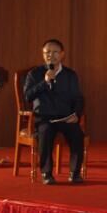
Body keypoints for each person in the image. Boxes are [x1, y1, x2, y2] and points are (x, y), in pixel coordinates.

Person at [23, 39, 84, 185]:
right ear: (43, 54)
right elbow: (28, 96)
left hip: (65, 117)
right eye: (47, 52)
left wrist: (76, 114)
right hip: (44, 118)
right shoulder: (34, 74)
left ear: (62, 54)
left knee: (77, 134)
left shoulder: (70, 74)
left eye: (55, 52)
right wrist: (44, 82)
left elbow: (78, 98)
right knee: (45, 133)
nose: (51, 55)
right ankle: (47, 174)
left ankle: (75, 173)